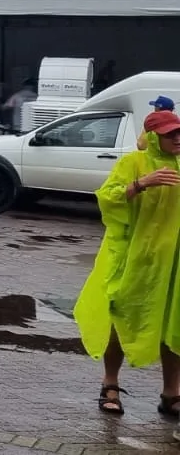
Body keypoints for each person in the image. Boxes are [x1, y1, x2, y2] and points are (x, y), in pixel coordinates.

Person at [75, 109, 180, 418]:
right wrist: (141, 183)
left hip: (173, 260)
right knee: (121, 318)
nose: (177, 138)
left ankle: (172, 393)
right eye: (169, 133)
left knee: (173, 324)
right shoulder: (131, 163)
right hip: (133, 257)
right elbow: (107, 198)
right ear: (151, 136)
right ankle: (110, 384)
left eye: (179, 132)